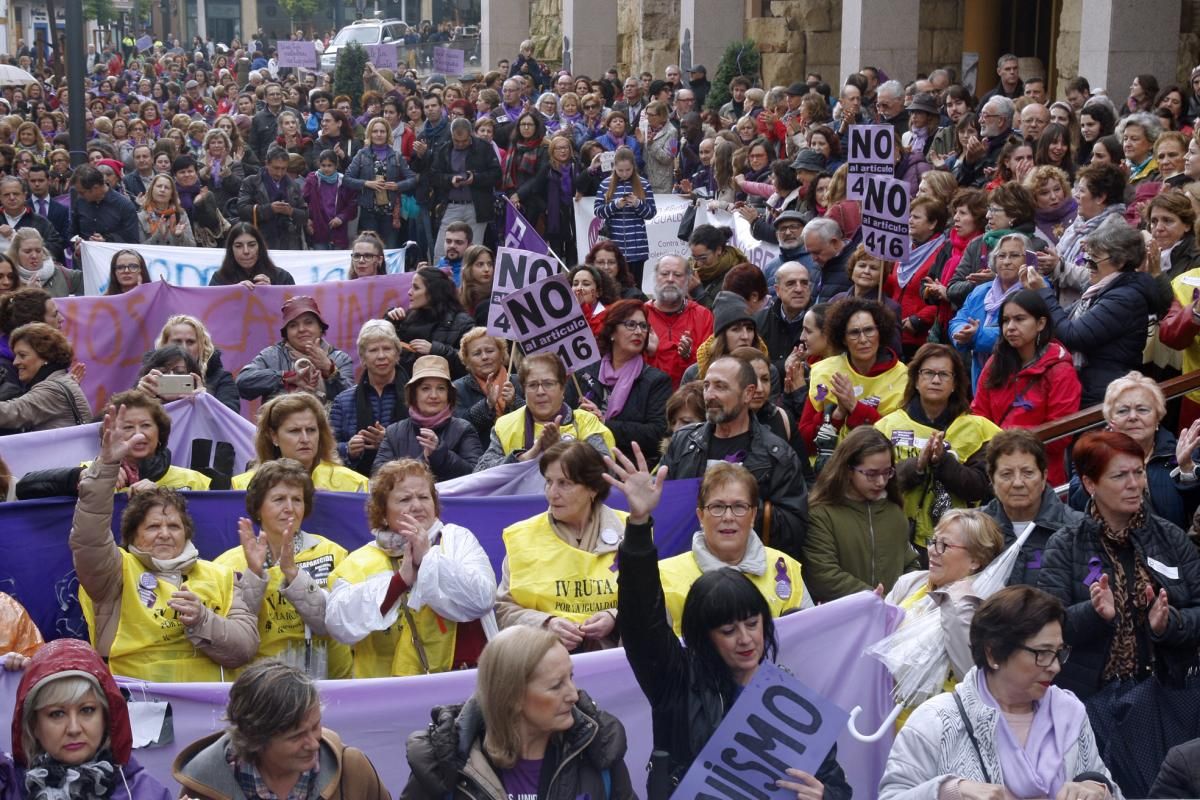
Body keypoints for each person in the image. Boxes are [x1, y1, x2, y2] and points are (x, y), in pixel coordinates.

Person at [607, 444, 852, 796]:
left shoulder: (789, 698)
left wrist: (826, 796)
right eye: (727, 630)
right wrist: (640, 524)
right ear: (703, 636)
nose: (745, 639)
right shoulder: (676, 683)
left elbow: (837, 785)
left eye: (752, 624)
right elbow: (640, 620)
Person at [1038, 430, 1200, 797]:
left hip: (1171, 695)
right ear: (1090, 484)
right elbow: (1047, 626)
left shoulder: (1170, 538)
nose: (1135, 485)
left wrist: (1169, 624)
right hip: (1094, 701)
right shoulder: (1065, 543)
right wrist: (1094, 614)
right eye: (1120, 476)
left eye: (1138, 473)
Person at [71, 404, 259, 682]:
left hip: (209, 707)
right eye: (153, 526)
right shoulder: (115, 572)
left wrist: (202, 620)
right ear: (133, 535)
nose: (164, 533)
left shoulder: (220, 575)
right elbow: (88, 538)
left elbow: (245, 648)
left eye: (173, 526)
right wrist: (107, 467)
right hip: (137, 702)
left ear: (187, 533)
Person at [879, 586, 1119, 800]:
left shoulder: (1069, 714)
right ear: (993, 654)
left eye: (1059, 652)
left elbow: (1106, 786)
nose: (1055, 666)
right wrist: (949, 792)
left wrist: (1099, 790)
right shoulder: (937, 720)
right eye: (1042, 653)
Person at [400, 625, 635, 798]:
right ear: (511, 696)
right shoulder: (442, 766)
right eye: (556, 685)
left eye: (570, 678)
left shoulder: (597, 749)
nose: (574, 695)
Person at [326, 459, 497, 676]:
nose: (417, 506)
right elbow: (338, 624)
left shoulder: (457, 538)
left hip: (463, 681)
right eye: (405, 499)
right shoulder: (359, 560)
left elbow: (482, 599)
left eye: (424, 497)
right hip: (390, 694)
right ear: (383, 513)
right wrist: (399, 582)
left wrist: (428, 557)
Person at [660, 354, 809, 559]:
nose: (709, 395)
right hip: (687, 562)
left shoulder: (777, 454)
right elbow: (663, 507)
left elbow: (795, 529)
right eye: (706, 386)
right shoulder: (684, 442)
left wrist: (739, 507)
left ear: (748, 393)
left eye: (720, 387)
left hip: (747, 571)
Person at [173, 660, 389, 800]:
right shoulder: (204, 786)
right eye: (296, 737)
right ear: (254, 739)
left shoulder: (352, 771)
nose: (313, 743)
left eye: (315, 726)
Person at [216, 459, 352, 679]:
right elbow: (235, 637)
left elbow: (334, 623)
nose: (289, 508)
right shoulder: (226, 565)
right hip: (260, 686)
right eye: (279, 499)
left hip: (329, 682)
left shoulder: (334, 553)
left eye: (297, 500)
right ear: (258, 508)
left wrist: (293, 574)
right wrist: (254, 573)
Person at [495, 441, 625, 652]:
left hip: (615, 659)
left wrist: (615, 617)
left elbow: (652, 603)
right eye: (548, 482)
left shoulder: (630, 532)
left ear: (593, 488)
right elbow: (503, 611)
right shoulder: (522, 536)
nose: (552, 493)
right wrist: (546, 624)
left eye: (564, 483)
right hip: (542, 658)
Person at [7, 638, 173, 800]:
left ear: (106, 718)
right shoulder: (8, 787)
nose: (74, 729)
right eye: (57, 714)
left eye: (87, 710)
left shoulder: (145, 793)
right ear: (33, 724)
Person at [657, 461, 810, 636]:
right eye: (717, 507)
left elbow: (812, 641)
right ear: (700, 516)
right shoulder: (663, 576)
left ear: (752, 515)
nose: (728, 517)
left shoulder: (785, 567)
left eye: (739, 506)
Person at [1021, 218, 1160, 406]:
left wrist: (1043, 292)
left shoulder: (1125, 298)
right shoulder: (1103, 289)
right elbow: (1062, 318)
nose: (1087, 266)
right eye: (1086, 259)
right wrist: (1035, 294)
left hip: (1104, 391)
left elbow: (1073, 335)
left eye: (1094, 261)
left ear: (1119, 262)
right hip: (1092, 384)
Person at [876, 344, 999, 554]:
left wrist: (944, 462)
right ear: (915, 380)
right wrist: (918, 465)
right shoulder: (886, 426)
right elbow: (875, 481)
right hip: (897, 535)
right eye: (928, 373)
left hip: (960, 542)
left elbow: (982, 487)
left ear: (955, 384)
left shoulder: (980, 429)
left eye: (944, 374)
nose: (935, 380)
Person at [971, 289, 1080, 487]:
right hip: (995, 470)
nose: (1010, 327)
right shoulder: (996, 363)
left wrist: (1007, 442)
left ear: (1041, 323)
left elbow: (1060, 434)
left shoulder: (1060, 369)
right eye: (1005, 320)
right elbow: (979, 415)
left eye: (1020, 319)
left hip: (1039, 474)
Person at [886, 510, 1006, 687]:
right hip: (885, 709)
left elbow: (971, 676)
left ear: (976, 560)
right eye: (933, 541)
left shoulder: (990, 607)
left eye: (945, 545)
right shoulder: (910, 583)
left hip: (937, 712)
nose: (933, 551)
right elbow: (877, 646)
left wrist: (958, 607)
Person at [1064, 373, 1197, 531]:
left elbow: (1195, 513)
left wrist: (1187, 472)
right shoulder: (1092, 455)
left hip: (1176, 551)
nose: (1133, 417)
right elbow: (1077, 506)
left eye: (1142, 409)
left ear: (1157, 418)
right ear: (1110, 421)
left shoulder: (1184, 453)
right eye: (1123, 411)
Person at [803, 426, 919, 600]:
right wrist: (877, 599)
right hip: (843, 619)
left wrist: (905, 595)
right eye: (871, 474)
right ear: (848, 470)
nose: (881, 482)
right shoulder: (821, 514)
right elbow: (823, 575)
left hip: (893, 618)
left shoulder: (894, 512)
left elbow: (910, 564)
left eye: (887, 472)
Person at [798, 297, 907, 459]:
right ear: (843, 338)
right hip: (830, 469)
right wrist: (837, 414)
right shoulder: (825, 371)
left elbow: (897, 440)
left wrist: (855, 408)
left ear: (880, 332)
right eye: (854, 332)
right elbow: (805, 441)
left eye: (869, 330)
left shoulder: (902, 376)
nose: (863, 340)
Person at [979, 430, 1085, 588]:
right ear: (991, 479)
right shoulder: (973, 528)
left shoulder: (1079, 528)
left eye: (1027, 473)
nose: (1017, 483)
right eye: (1006, 474)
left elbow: (1090, 588)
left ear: (1043, 477)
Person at [475, 353, 615, 470]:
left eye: (548, 384)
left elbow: (606, 471)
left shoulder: (586, 421)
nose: (540, 392)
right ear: (523, 390)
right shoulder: (504, 425)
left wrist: (560, 449)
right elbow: (480, 473)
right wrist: (526, 457)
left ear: (562, 388)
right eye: (533, 385)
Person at [576, 299, 671, 462]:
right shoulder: (585, 373)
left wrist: (604, 423)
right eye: (631, 324)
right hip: (582, 463)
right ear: (612, 332)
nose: (639, 331)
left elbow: (657, 434)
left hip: (628, 467)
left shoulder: (656, 381)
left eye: (643, 326)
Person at [371, 355, 481, 480]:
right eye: (425, 388)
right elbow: (379, 478)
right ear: (414, 394)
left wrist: (440, 453)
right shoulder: (393, 432)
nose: (434, 395)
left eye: (441, 388)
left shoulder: (463, 429)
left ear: (449, 395)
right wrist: (421, 461)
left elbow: (476, 475)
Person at [232, 394, 369, 492]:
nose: (305, 439)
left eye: (311, 430)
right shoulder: (244, 486)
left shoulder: (355, 484)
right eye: (294, 431)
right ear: (273, 436)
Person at [329, 320, 410, 477]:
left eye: (387, 349)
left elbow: (428, 442)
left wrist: (389, 441)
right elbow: (328, 448)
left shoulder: (415, 394)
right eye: (373, 350)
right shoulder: (343, 400)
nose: (381, 356)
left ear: (397, 354)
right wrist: (348, 449)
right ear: (362, 358)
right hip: (357, 486)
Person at [236, 296, 354, 404]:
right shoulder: (271, 356)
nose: (301, 329)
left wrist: (330, 370)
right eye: (293, 325)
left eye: (308, 323)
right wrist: (285, 377)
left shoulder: (340, 359)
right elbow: (242, 382)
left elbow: (352, 401)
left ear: (320, 328)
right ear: (286, 333)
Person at [950, 231, 1031, 386]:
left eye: (1014, 255)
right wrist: (961, 331)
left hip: (1016, 374)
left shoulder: (1035, 288)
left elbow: (1019, 331)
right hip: (979, 375)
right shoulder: (982, 290)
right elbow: (959, 319)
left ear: (1028, 260)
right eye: (1001, 256)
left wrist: (975, 336)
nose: (1006, 261)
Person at [0, 322, 89, 433]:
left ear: (46, 356)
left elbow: (11, 412)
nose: (15, 362)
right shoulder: (60, 382)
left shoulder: (53, 389)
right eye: (15, 356)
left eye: (22, 355)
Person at [388, 267, 475, 379]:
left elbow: (472, 362)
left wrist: (435, 350)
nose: (409, 292)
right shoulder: (406, 318)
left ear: (433, 292)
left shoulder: (462, 323)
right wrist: (390, 321)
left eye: (416, 288)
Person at [343, 119, 416, 249]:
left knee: (389, 250)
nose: (378, 134)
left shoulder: (396, 156)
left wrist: (398, 186)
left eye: (382, 131)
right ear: (369, 134)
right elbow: (347, 179)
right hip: (368, 213)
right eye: (375, 131)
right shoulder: (361, 155)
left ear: (387, 134)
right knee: (370, 249)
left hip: (390, 214)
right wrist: (366, 183)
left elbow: (412, 179)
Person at [644, 254, 714, 388]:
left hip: (690, 396)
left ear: (688, 280)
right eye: (664, 274)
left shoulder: (702, 315)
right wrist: (650, 354)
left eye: (677, 275)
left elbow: (710, 364)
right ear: (655, 277)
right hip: (648, 396)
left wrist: (689, 355)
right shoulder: (640, 314)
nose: (670, 279)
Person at [594, 146, 657, 286]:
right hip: (614, 247)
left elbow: (651, 213)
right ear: (614, 167)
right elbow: (598, 211)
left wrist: (637, 204)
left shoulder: (644, 184)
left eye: (628, 170)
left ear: (633, 167)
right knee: (614, 288)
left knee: (634, 288)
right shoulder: (605, 184)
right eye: (620, 170)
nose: (624, 174)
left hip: (637, 247)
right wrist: (615, 205)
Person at [453, 327, 523, 445]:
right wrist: (487, 405)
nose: (484, 357)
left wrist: (514, 401)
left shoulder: (520, 382)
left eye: (490, 351)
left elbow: (535, 418)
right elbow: (458, 428)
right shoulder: (457, 388)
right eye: (477, 353)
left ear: (501, 354)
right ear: (467, 360)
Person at [237, 144, 308, 250]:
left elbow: (305, 216)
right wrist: (270, 209)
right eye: (276, 168)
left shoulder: (294, 186)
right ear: (267, 164)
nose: (279, 173)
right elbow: (242, 209)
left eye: (283, 169)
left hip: (289, 243)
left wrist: (291, 211)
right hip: (260, 240)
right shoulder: (251, 182)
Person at [208, 222, 296, 287]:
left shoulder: (282, 277)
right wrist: (233, 293)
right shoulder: (219, 279)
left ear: (260, 247)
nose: (246, 251)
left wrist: (272, 292)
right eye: (238, 246)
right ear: (231, 250)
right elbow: (209, 309)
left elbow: (295, 310)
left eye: (251, 245)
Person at [137, 173, 196, 246]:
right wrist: (158, 235)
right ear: (151, 190)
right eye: (159, 186)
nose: (162, 190)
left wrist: (180, 236)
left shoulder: (181, 214)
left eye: (167, 187)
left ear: (172, 194)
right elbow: (139, 248)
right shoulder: (141, 216)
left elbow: (193, 246)